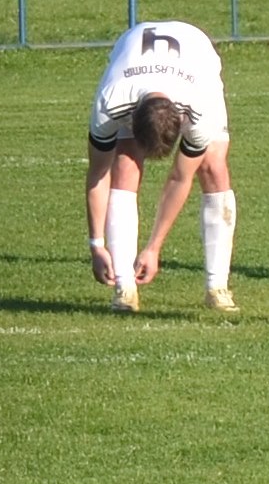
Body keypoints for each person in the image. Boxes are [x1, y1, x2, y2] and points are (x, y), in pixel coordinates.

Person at [85, 20, 238, 315]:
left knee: (213, 167)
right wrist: (96, 245)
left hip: (196, 54)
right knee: (125, 164)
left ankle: (217, 286)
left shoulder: (199, 108)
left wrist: (154, 247)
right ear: (130, 120)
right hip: (132, 57)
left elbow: (181, 177)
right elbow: (97, 174)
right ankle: (124, 286)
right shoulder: (112, 101)